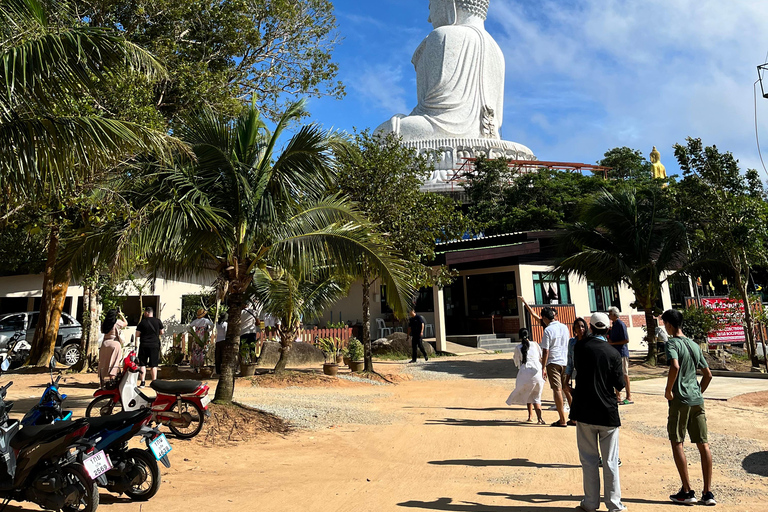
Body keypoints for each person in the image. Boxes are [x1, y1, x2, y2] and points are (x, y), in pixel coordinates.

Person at [570, 312, 627, 512]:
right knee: (610, 460)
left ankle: (590, 502)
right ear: (608, 329)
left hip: (585, 410)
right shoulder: (613, 353)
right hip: (608, 412)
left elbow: (579, 369)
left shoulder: (580, 347)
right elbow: (619, 383)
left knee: (588, 460)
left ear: (591, 327)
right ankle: (614, 504)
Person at [662, 309, 715, 506]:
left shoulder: (672, 343)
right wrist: (698, 392)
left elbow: (674, 366)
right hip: (696, 399)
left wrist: (669, 390)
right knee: (703, 444)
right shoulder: (693, 344)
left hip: (680, 400)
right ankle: (708, 493)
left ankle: (687, 491)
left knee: (677, 441)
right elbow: (708, 374)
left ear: (668, 324)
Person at [535, 305, 571, 427]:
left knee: (557, 389)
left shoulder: (548, 330)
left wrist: (543, 367)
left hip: (553, 361)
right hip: (565, 360)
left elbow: (546, 351)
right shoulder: (565, 327)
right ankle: (575, 416)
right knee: (566, 388)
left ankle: (562, 419)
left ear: (544, 317)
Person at [506, 328, 545, 424]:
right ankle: (540, 419)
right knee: (536, 396)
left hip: (525, 372)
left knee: (527, 393)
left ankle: (530, 416)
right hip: (537, 372)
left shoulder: (518, 347)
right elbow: (541, 358)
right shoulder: (535, 344)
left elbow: (516, 362)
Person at [565, 317, 588, 425]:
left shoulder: (589, 341)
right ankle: (575, 418)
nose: (580, 329)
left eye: (582, 326)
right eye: (578, 326)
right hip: (579, 374)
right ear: (574, 329)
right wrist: (566, 380)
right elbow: (570, 362)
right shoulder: (572, 342)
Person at [607, 307, 633, 405]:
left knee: (624, 374)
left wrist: (613, 344)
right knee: (616, 374)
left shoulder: (621, 324)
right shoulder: (613, 325)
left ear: (614, 314)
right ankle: (618, 396)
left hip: (622, 353)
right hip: (615, 353)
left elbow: (626, 340)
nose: (609, 315)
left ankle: (629, 396)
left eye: (610, 313)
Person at [135, 307, 165, 387]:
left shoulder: (142, 322)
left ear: (147, 313)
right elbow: (162, 332)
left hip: (144, 345)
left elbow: (137, 334)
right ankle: (154, 382)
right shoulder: (158, 321)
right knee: (154, 365)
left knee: (142, 364)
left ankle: (142, 382)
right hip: (154, 345)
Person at [98, 309, 127, 387]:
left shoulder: (104, 323)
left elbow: (102, 331)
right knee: (114, 363)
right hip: (114, 344)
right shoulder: (117, 322)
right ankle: (112, 380)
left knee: (103, 363)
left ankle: (102, 382)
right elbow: (126, 323)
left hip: (105, 344)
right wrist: (121, 315)